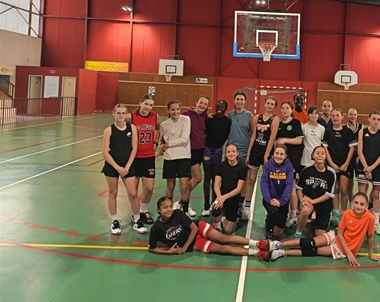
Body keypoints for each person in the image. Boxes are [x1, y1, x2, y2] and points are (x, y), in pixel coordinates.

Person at [266, 192, 380, 265]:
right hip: (336, 236)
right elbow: (340, 234)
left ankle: (281, 253)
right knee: (310, 242)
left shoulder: (370, 218)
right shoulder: (347, 214)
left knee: (312, 250)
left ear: (366, 206)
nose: (358, 206)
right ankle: (278, 244)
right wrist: (349, 253)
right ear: (352, 203)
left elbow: (370, 237)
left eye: (362, 204)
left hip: (342, 249)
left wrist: (370, 254)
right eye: (356, 203)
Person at [148, 196, 279, 261]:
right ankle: (257, 252)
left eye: (170, 206)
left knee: (223, 239)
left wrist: (184, 248)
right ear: (158, 210)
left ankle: (258, 243)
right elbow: (152, 248)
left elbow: (193, 228)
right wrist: (169, 252)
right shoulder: (156, 228)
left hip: (198, 228)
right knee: (223, 249)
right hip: (195, 243)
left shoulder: (177, 213)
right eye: (165, 207)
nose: (169, 209)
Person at [101, 104, 146, 235]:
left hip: (128, 165)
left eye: (123, 113)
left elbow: (134, 148)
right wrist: (117, 167)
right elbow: (105, 152)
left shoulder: (132, 128)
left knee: (133, 194)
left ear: (126, 115)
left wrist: (127, 167)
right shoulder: (108, 130)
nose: (121, 115)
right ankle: (114, 221)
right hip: (112, 165)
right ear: (113, 114)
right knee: (113, 192)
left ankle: (136, 220)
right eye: (118, 113)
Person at [243, 96, 280, 221]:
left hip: (267, 153)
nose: (269, 105)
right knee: (251, 179)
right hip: (255, 152)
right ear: (264, 104)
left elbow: (272, 138)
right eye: (268, 103)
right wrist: (249, 153)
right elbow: (253, 135)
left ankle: (268, 205)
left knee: (267, 181)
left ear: (274, 106)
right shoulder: (257, 117)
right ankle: (247, 207)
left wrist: (266, 155)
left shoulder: (275, 119)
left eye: (272, 104)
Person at [127, 94, 161, 224]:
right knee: (133, 191)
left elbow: (158, 129)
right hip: (134, 157)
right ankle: (135, 213)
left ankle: (143, 210)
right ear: (140, 103)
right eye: (146, 104)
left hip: (148, 157)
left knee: (149, 188)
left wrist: (156, 141)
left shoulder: (155, 116)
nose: (148, 107)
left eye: (151, 105)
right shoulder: (131, 116)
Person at [323, 108, 357, 226]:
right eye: (333, 116)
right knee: (335, 189)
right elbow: (325, 148)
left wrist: (346, 164)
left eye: (337, 115)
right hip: (333, 165)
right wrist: (331, 164)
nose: (335, 118)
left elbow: (352, 148)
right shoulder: (328, 131)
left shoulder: (347, 131)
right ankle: (336, 213)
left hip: (345, 166)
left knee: (343, 189)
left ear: (342, 117)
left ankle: (344, 213)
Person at [356, 111, 380, 236]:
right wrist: (366, 167)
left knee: (375, 194)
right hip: (363, 166)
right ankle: (361, 222)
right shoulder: (362, 132)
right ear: (369, 119)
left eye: (378, 119)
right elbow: (360, 151)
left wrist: (372, 168)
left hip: (376, 167)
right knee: (362, 195)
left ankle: (376, 223)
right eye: (373, 119)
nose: (376, 121)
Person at [294, 146, 336, 238]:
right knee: (305, 210)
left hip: (324, 203)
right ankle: (298, 233)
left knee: (319, 235)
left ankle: (314, 222)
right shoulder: (306, 170)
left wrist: (313, 201)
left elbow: (329, 195)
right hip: (309, 200)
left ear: (325, 156)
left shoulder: (331, 173)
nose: (320, 155)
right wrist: (302, 199)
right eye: (317, 153)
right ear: (313, 156)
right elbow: (299, 188)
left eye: (322, 153)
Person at [158, 100, 192, 213]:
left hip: (184, 156)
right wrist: (161, 146)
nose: (175, 112)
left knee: (184, 186)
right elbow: (162, 140)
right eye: (172, 109)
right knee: (170, 186)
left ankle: (185, 211)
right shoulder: (164, 125)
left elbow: (184, 139)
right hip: (170, 157)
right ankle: (168, 211)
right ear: (168, 110)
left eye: (177, 109)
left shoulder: (186, 119)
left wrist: (168, 145)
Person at [275, 101, 304, 227]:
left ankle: (293, 215)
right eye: (283, 108)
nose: (285, 110)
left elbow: (299, 140)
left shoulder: (296, 123)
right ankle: (283, 211)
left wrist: (285, 140)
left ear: (291, 110)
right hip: (280, 161)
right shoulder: (279, 124)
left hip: (293, 160)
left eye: (287, 108)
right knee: (281, 186)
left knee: (291, 187)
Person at [180, 95, 210, 217]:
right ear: (196, 102)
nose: (202, 106)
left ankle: (183, 203)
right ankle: (183, 203)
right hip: (189, 150)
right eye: (201, 103)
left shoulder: (206, 117)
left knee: (192, 179)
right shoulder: (186, 114)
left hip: (201, 150)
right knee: (197, 178)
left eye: (205, 104)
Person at [202, 100, 232, 217]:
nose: (220, 108)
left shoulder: (227, 121)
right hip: (207, 149)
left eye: (222, 106)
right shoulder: (209, 119)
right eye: (218, 106)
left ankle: (214, 202)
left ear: (226, 108)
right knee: (207, 176)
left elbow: (226, 135)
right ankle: (206, 205)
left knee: (216, 178)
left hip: (218, 150)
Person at [211, 144, 248, 233]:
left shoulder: (242, 168)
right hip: (221, 195)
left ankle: (223, 217)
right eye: (228, 152)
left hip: (233, 198)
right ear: (225, 154)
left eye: (233, 151)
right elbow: (216, 185)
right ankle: (217, 226)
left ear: (237, 153)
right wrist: (219, 198)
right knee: (215, 208)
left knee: (228, 230)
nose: (231, 153)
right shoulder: (221, 166)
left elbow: (238, 189)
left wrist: (224, 198)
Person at [227, 91, 253, 218]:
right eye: (237, 99)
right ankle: (230, 201)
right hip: (231, 150)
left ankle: (240, 204)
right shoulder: (230, 114)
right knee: (230, 177)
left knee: (243, 178)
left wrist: (248, 153)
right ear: (234, 100)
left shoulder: (249, 115)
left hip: (243, 150)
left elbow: (253, 134)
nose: (239, 101)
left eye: (242, 99)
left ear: (245, 101)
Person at [260, 144, 294, 239]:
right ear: (273, 154)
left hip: (282, 201)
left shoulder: (289, 166)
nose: (278, 156)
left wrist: (281, 201)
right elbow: (264, 182)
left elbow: (289, 185)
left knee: (278, 234)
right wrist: (269, 199)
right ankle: (269, 229)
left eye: (281, 154)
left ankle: (274, 220)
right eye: (276, 153)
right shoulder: (268, 165)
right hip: (270, 199)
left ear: (285, 156)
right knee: (272, 210)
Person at [345, 107, 363, 209]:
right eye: (350, 114)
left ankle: (361, 203)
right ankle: (351, 203)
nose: (353, 116)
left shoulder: (361, 128)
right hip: (348, 158)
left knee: (361, 183)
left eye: (354, 114)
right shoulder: (344, 128)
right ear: (347, 115)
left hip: (359, 158)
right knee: (350, 183)